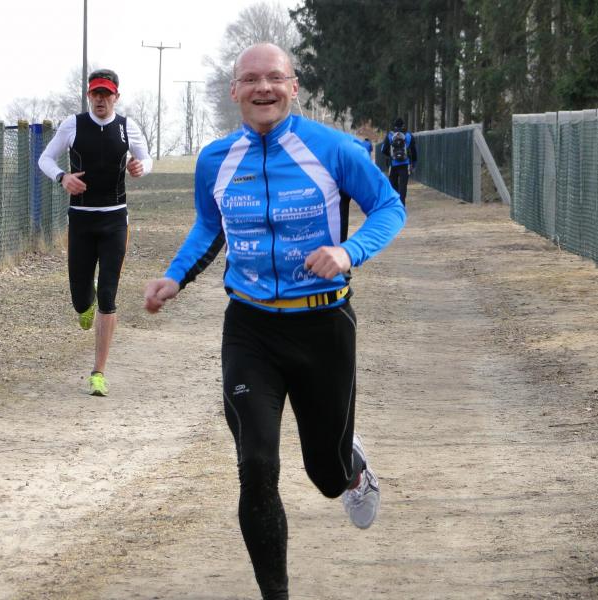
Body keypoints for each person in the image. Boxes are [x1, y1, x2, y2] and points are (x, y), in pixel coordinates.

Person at [143, 43, 405, 599]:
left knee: (325, 476)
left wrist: (349, 252)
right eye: (251, 79)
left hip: (323, 325)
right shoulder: (216, 159)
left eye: (275, 78)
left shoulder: (334, 149)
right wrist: (174, 277)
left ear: (293, 87)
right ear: (235, 90)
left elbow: (389, 207)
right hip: (251, 329)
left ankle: (350, 465)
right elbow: (208, 224)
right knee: (257, 465)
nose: (263, 88)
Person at [38, 68, 152, 397]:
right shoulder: (72, 125)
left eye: (106, 94)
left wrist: (140, 167)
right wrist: (63, 178)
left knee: (109, 296)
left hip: (115, 220)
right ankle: (85, 305)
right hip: (81, 220)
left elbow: (146, 160)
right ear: (89, 96)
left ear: (116, 97)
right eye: (95, 94)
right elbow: (45, 159)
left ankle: (98, 372)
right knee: (80, 299)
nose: (100, 100)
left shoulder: (128, 127)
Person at [380, 117, 417, 206]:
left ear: (394, 126)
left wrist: (391, 155)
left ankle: (395, 206)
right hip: (405, 165)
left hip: (393, 165)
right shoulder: (408, 136)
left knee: (394, 187)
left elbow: (383, 149)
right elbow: (414, 151)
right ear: (403, 125)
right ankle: (402, 205)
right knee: (403, 187)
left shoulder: (390, 135)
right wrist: (414, 164)